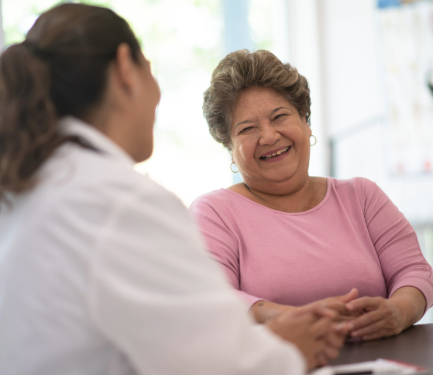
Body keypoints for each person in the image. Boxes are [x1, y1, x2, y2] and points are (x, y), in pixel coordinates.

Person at [0, 4, 348, 374]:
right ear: (124, 68)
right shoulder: (119, 202)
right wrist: (288, 348)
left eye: (280, 116)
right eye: (151, 70)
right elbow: (219, 363)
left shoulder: (29, 185)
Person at [191, 49, 433, 341]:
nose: (269, 136)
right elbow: (213, 299)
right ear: (230, 148)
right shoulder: (214, 212)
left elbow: (414, 272)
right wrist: (286, 319)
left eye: (279, 116)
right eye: (247, 129)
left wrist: (398, 311)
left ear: (306, 122)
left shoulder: (362, 196)